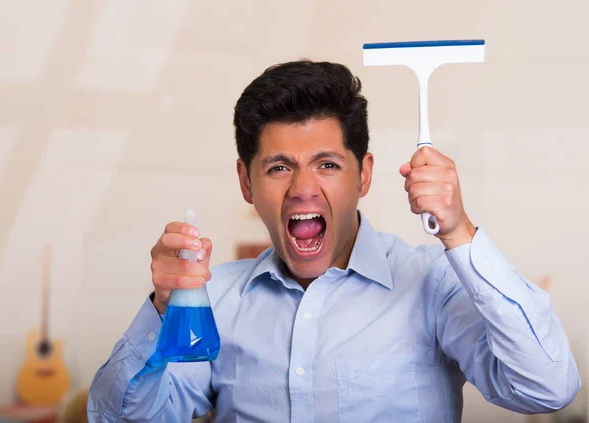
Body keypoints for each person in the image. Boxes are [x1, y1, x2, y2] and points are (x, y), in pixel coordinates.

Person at [87, 60, 580, 422]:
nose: (303, 188)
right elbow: (121, 418)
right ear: (246, 182)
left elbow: (546, 386)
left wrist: (458, 230)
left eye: (327, 164)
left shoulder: (430, 281)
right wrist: (161, 308)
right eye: (279, 167)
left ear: (364, 175)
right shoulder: (214, 297)